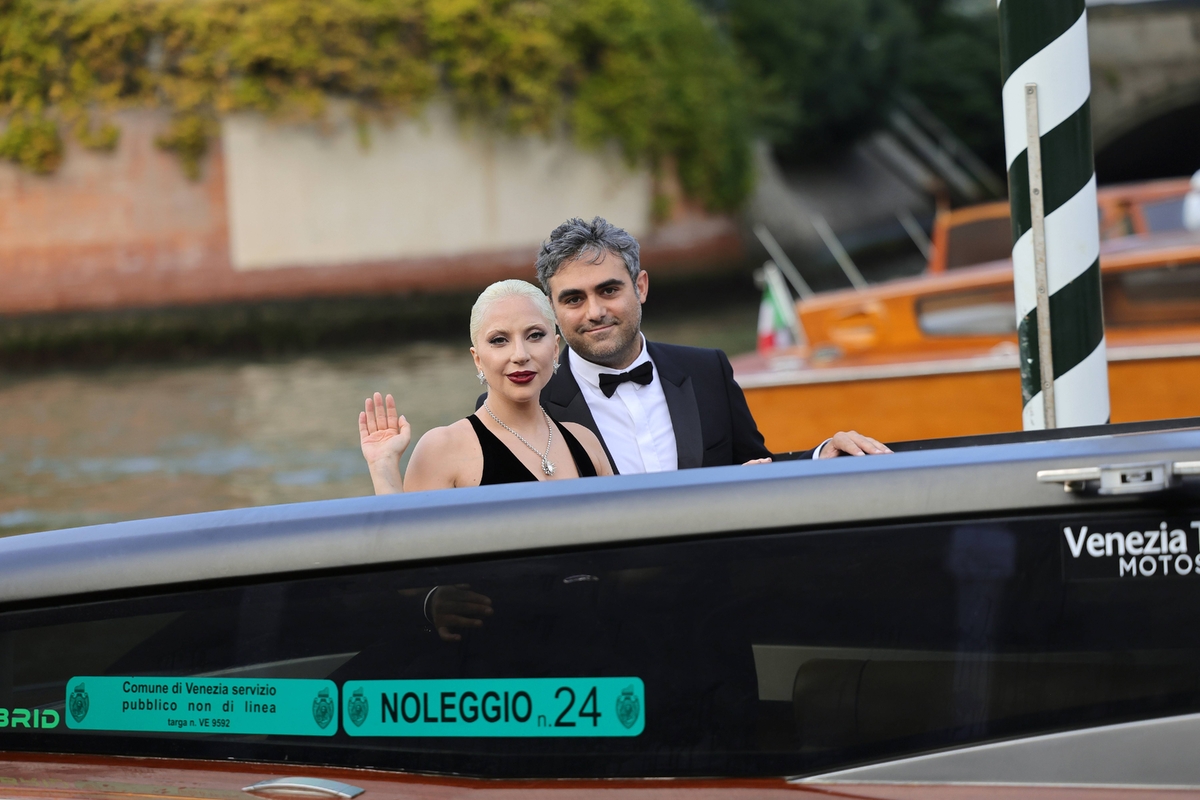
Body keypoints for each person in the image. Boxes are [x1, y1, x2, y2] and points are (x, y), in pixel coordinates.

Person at [517, 216, 890, 474]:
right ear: (552, 310)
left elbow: (755, 471)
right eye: (574, 299)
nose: (595, 311)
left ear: (640, 287)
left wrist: (821, 456)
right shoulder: (526, 403)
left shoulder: (708, 370)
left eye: (609, 290)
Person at [359, 280, 613, 494]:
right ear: (477, 359)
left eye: (535, 335)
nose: (520, 355)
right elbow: (409, 537)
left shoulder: (586, 442)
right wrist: (383, 466)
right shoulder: (442, 449)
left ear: (555, 348)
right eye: (499, 340)